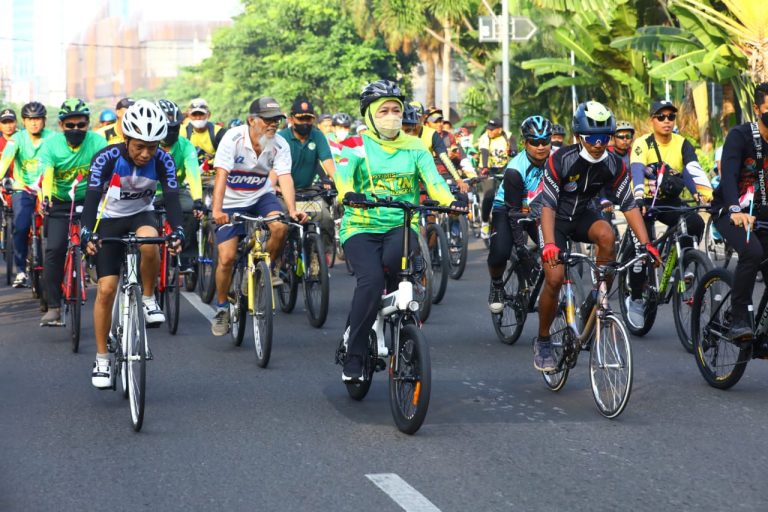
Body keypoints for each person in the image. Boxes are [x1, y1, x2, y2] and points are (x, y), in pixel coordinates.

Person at [335, 79, 464, 381]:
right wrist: (349, 192)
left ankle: (397, 326)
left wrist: (450, 200)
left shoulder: (416, 146)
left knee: (397, 270)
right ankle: (354, 353)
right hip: (360, 227)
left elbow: (432, 181)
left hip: (401, 225)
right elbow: (343, 176)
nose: (392, 116)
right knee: (371, 281)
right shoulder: (355, 145)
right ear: (369, 115)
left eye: (396, 110)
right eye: (384, 111)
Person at [536, 101, 659, 371]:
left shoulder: (614, 163)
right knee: (554, 278)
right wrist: (550, 246)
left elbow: (628, 205)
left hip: (583, 216)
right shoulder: (561, 159)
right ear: (579, 137)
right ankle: (543, 339)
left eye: (605, 137)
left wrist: (647, 244)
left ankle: (598, 296)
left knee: (607, 234)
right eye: (592, 138)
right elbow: (547, 206)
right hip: (554, 219)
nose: (599, 143)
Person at [80, 100, 184, 388]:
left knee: (150, 241)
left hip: (141, 214)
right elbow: (90, 200)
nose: (145, 153)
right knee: (107, 289)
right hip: (110, 219)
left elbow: (173, 199)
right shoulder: (107, 157)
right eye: (139, 146)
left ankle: (148, 299)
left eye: (152, 146)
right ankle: (102, 358)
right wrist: (87, 232)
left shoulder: (163, 160)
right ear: (126, 138)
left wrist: (178, 231)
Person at [210, 97, 306, 336]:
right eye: (267, 120)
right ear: (251, 120)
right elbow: (221, 175)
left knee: (281, 227)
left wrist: (292, 210)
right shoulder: (232, 139)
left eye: (277, 120)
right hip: (231, 202)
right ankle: (222, 307)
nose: (273, 124)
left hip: (260, 197)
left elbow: (285, 177)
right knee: (227, 258)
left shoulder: (280, 144)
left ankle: (267, 271)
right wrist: (217, 210)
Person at [626, 100, 712, 326]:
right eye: (661, 117)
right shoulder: (641, 143)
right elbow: (636, 171)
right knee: (641, 250)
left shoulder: (683, 143)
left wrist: (703, 194)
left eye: (670, 117)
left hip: (669, 201)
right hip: (644, 201)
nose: (666, 121)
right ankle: (635, 298)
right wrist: (637, 196)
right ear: (652, 120)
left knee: (693, 222)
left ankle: (679, 264)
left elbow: (692, 171)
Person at [39, 99, 107, 326]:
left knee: (101, 238)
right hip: (59, 202)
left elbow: (106, 171)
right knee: (54, 250)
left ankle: (97, 267)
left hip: (90, 199)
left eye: (81, 125)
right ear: (61, 126)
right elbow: (47, 174)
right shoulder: (51, 145)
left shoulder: (98, 142)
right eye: (70, 125)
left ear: (88, 124)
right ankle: (54, 307)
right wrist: (46, 197)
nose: (75, 129)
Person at [710, 82, 768, 342]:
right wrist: (734, 209)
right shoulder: (740, 135)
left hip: (763, 216)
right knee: (752, 251)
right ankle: (738, 317)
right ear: (756, 109)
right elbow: (730, 176)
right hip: (730, 210)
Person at [487, 116, 550, 313]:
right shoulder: (515, 169)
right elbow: (514, 214)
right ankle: (497, 285)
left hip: (537, 209)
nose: (541, 147)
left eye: (545, 141)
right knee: (500, 253)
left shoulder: (556, 161)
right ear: (525, 143)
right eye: (534, 142)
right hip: (507, 209)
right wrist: (521, 248)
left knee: (552, 250)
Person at [0, 101, 53, 288]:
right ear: (24, 121)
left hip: (46, 189)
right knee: (20, 226)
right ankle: (21, 270)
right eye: (30, 119)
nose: (34, 123)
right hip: (22, 188)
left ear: (44, 121)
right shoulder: (17, 138)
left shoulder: (52, 137)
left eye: (37, 118)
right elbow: (6, 158)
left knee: (53, 228)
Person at [156, 99, 205, 273]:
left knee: (192, 210)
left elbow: (192, 172)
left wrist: (198, 199)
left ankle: (185, 257)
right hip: (150, 194)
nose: (172, 132)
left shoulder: (185, 145)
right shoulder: (148, 144)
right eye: (168, 128)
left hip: (175, 191)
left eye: (175, 127)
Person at [277, 97, 336, 241]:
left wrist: (342, 185)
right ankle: (282, 258)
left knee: (326, 218)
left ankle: (320, 255)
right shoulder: (281, 138)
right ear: (291, 119)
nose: (305, 123)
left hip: (308, 192)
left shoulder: (317, 136)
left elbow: (328, 163)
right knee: (282, 224)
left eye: (308, 119)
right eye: (301, 119)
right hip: (282, 194)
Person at [401, 104, 470, 194]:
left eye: (416, 117)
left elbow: (444, 157)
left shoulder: (431, 134)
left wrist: (458, 180)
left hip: (427, 177)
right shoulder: (398, 133)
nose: (413, 122)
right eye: (407, 121)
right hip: (405, 179)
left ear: (423, 118)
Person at [477, 118, 511, 238]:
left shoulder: (507, 136)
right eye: (488, 128)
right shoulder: (484, 137)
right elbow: (484, 151)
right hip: (488, 170)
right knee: (489, 195)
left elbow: (514, 150)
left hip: (503, 168)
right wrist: (485, 167)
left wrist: (512, 151)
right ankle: (485, 223)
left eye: (492, 129)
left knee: (512, 192)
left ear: (499, 129)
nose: (489, 131)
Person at [182, 98, 225, 168]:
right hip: (190, 174)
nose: (198, 118)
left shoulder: (218, 132)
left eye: (201, 114)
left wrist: (214, 157)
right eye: (194, 114)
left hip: (214, 174)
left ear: (208, 115)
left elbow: (228, 155)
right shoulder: (183, 131)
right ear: (189, 116)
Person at [0, 108, 17, 186]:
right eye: (4, 122)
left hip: (19, 184)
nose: (8, 126)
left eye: (11, 122)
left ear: (16, 123)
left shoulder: (23, 140)